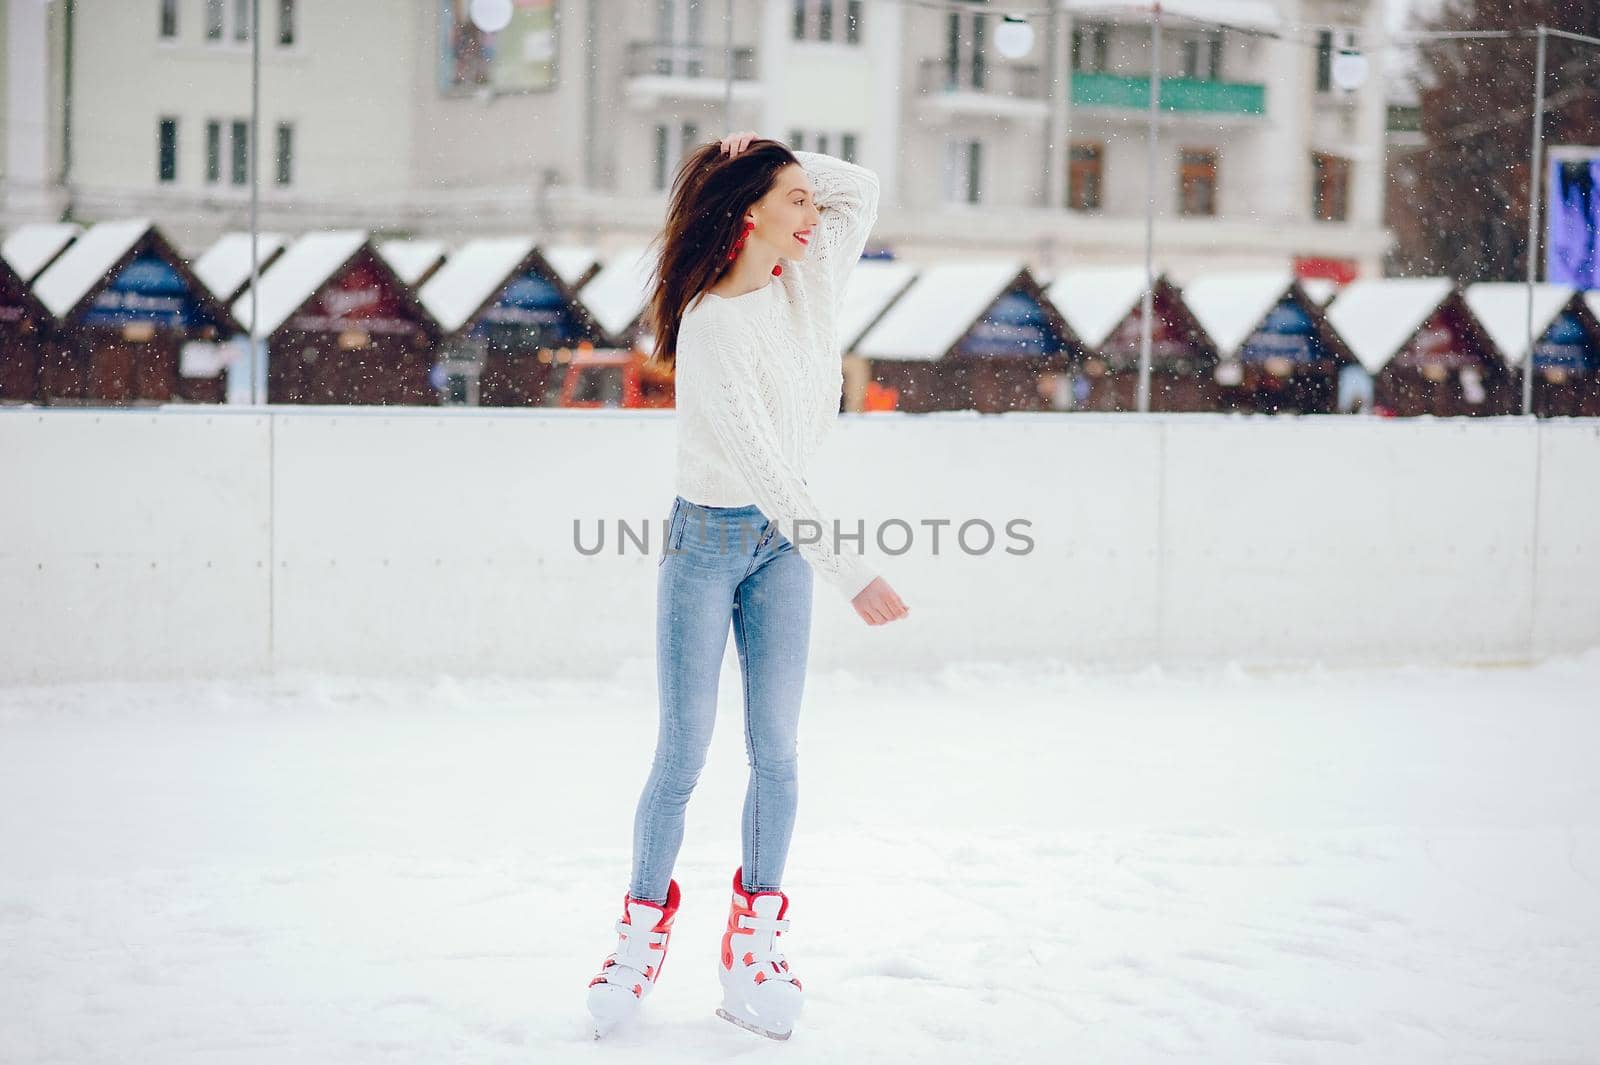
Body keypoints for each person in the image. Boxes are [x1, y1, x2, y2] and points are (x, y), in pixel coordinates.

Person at [585, 131, 910, 1041]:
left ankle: (753, 940)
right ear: (749, 215)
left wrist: (774, 150)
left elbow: (864, 185)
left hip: (782, 550)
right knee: (683, 752)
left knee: (778, 749)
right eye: (796, 200)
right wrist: (855, 572)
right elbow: (765, 468)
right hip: (709, 541)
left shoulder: (813, 278)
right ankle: (637, 939)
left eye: (811, 200)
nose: (817, 213)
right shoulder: (712, 322)